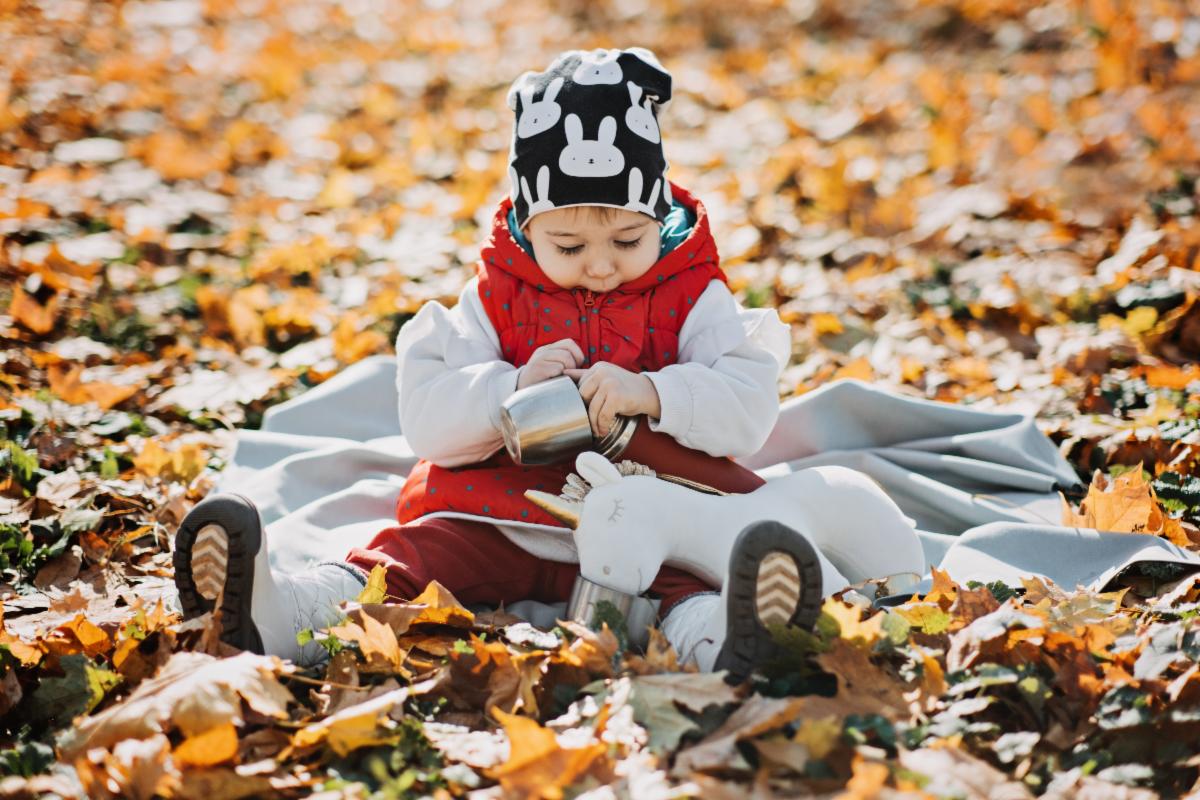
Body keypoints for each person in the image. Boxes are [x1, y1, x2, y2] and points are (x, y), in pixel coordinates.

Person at [173, 47, 824, 680]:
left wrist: (655, 393)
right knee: (408, 559)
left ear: (659, 214)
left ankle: (732, 640)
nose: (600, 264)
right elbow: (427, 417)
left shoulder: (691, 294)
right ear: (525, 226)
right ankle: (283, 613)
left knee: (683, 583)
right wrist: (507, 388)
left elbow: (746, 408)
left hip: (647, 520)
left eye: (628, 239)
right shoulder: (495, 297)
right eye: (569, 244)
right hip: (498, 513)